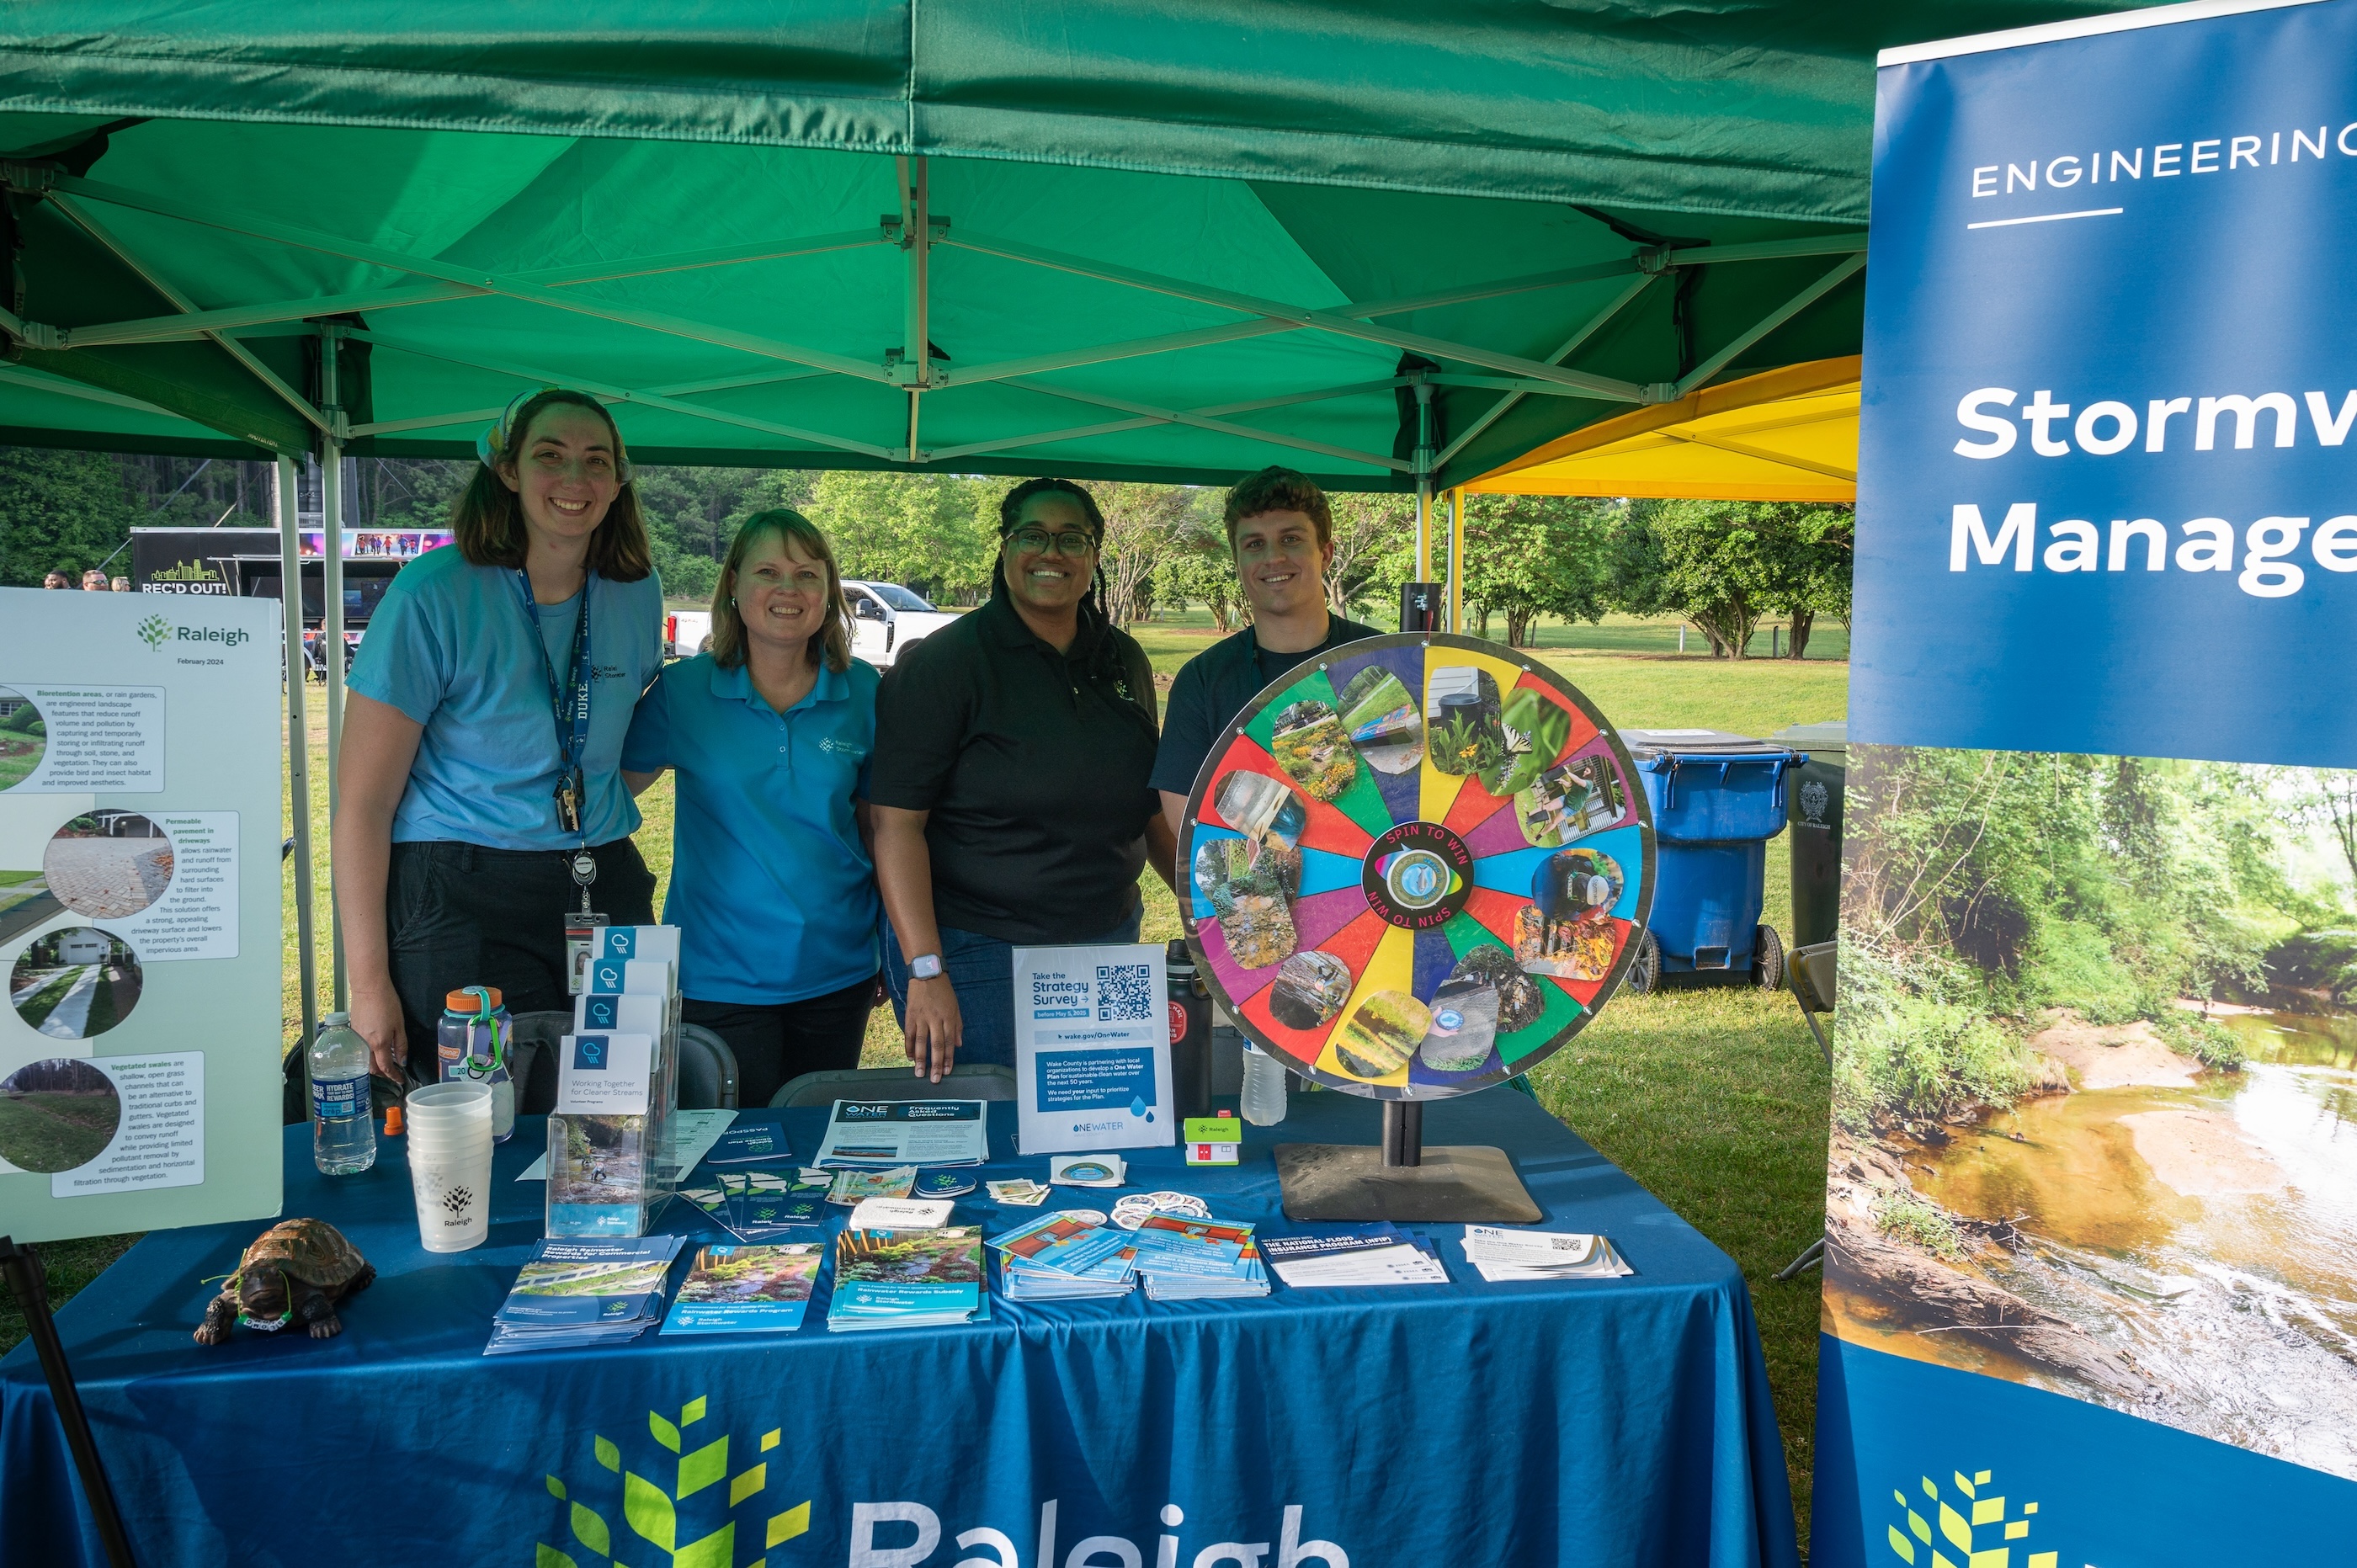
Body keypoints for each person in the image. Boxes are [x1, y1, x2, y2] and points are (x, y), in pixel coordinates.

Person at [335, 388, 665, 1090]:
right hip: (462, 890)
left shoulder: (637, 590)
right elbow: (362, 804)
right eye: (551, 456)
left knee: (617, 1112)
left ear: (617, 481)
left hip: (597, 880)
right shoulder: (432, 594)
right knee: (490, 1119)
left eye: (595, 461)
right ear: (508, 470)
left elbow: (614, 745)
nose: (575, 480)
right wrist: (368, 983)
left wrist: (581, 811)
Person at [868, 478, 1175, 1078]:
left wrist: (1209, 918)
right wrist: (926, 970)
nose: (1051, 552)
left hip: (1108, 939)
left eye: (1072, 539)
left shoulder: (1123, 659)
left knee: (1100, 1117)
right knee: (999, 1138)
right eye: (1032, 535)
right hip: (978, 950)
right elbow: (894, 825)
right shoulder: (945, 664)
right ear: (1005, 550)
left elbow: (1149, 809)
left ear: (1093, 557)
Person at [620, 510, 880, 1109]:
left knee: (817, 1153)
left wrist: (892, 946)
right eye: (768, 571)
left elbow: (881, 828)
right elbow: (606, 802)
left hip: (838, 971)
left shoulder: (864, 691)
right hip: (719, 977)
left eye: (807, 575)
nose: (788, 590)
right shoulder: (683, 691)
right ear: (733, 586)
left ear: (828, 593)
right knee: (734, 1160)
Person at [1152, 466, 1384, 830]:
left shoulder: (1381, 659)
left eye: (1291, 539)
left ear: (1325, 554)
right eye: (1254, 544)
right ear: (1238, 561)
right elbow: (1187, 821)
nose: (1273, 558)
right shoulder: (1202, 681)